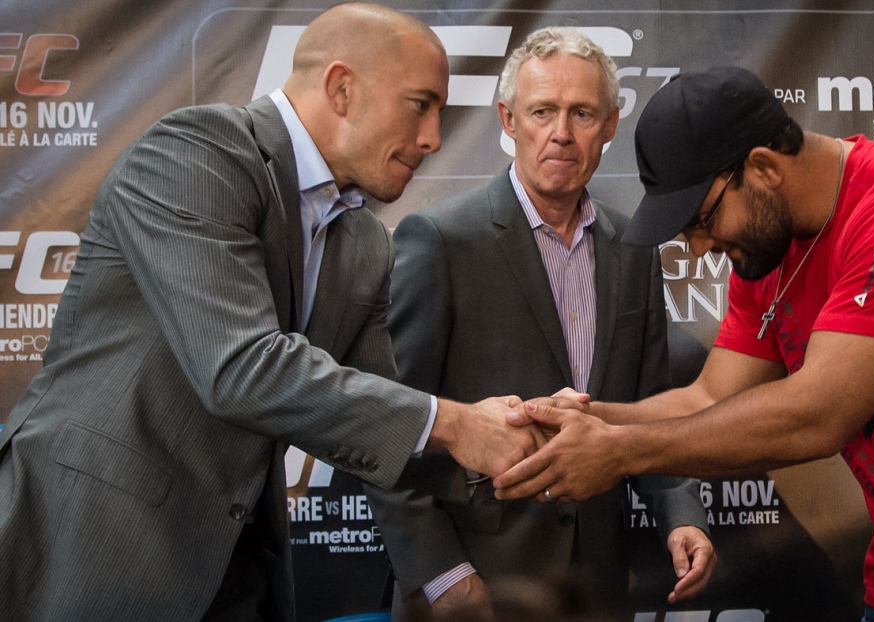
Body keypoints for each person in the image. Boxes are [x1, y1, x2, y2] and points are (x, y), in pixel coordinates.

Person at [493, 66, 874, 621]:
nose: (700, 248)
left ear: (762, 168)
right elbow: (706, 397)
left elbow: (818, 415)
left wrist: (621, 452)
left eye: (701, 221)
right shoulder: (767, 253)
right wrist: (583, 420)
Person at [0, 5, 546, 621]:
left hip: (238, 564)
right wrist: (458, 424)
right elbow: (240, 368)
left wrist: (522, 437)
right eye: (420, 104)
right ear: (342, 88)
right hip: (95, 542)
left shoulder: (362, 239)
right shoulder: (195, 152)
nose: (433, 138)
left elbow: (376, 407)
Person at [364, 28, 715, 622]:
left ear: (610, 122)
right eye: (542, 111)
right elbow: (387, 422)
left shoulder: (632, 247)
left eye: (581, 113)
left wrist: (681, 514)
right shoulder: (441, 240)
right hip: (474, 586)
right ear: (507, 119)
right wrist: (442, 575)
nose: (561, 133)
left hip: (597, 585)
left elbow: (651, 403)